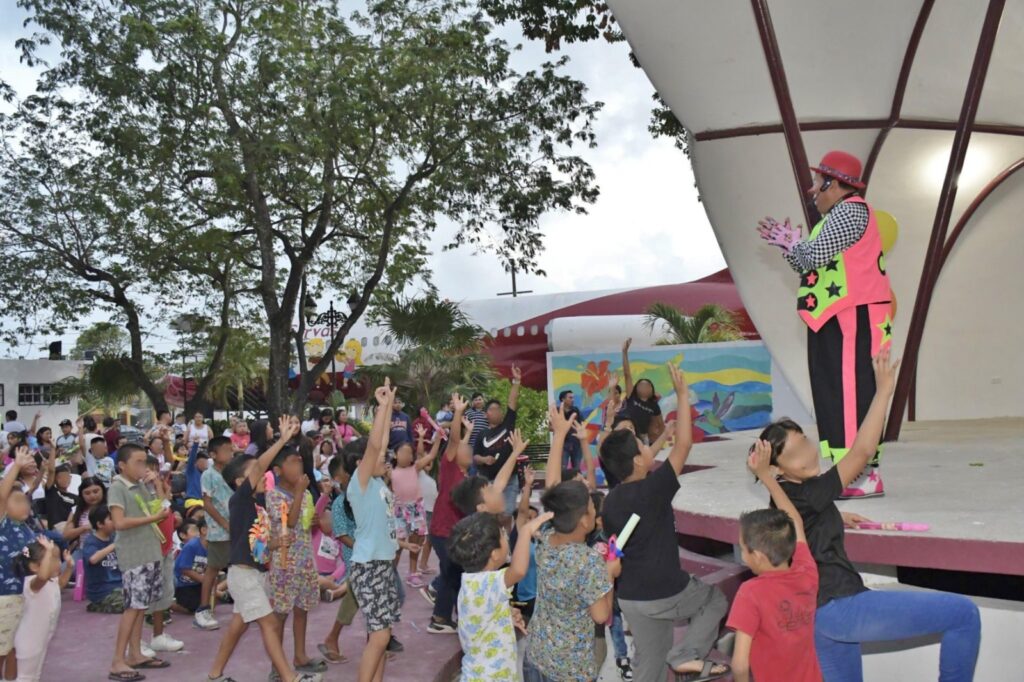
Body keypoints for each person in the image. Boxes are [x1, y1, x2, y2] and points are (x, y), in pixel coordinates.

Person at [759, 349, 980, 681]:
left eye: (805, 441)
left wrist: (834, 516)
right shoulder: (809, 493)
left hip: (821, 619)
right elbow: (862, 452)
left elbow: (800, 523)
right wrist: (883, 392)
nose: (808, 453)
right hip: (843, 607)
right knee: (964, 614)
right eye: (794, 453)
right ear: (776, 468)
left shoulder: (783, 498)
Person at [758, 151, 894, 498]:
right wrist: (791, 247)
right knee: (834, 392)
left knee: (852, 393)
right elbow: (809, 263)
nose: (813, 190)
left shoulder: (850, 210)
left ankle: (862, 473)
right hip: (838, 315)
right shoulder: (836, 217)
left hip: (855, 315)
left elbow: (812, 255)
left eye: (819, 183)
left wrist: (792, 245)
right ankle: (844, 470)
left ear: (834, 184)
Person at [601, 363, 729, 682]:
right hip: (667, 590)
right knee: (715, 600)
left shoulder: (610, 500)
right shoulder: (654, 488)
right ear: (637, 460)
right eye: (645, 446)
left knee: (650, 664)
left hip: (631, 599)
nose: (649, 448)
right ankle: (686, 653)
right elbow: (683, 446)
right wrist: (683, 396)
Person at [205, 417, 320, 682]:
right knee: (268, 623)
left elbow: (254, 541)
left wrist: (274, 544)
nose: (262, 474)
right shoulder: (240, 499)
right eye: (254, 472)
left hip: (255, 573)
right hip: (243, 575)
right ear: (239, 482)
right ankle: (289, 678)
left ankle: (214, 675)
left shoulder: (258, 504)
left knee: (238, 626)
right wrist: (280, 440)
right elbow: (259, 465)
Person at [728, 441, 821, 682]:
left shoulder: (750, 593)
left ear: (757, 556)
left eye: (742, 548)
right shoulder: (807, 571)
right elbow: (795, 522)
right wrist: (766, 477)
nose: (742, 553)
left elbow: (739, 664)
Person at [523, 477, 619, 682]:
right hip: (569, 670)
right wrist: (609, 573)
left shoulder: (546, 539)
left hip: (536, 655)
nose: (596, 512)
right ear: (584, 520)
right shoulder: (588, 561)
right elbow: (601, 615)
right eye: (593, 508)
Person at [448, 508, 553, 682]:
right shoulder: (488, 582)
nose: (506, 536)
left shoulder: (472, 582)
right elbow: (518, 570)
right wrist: (525, 531)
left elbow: (482, 617)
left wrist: (504, 614)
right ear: (495, 554)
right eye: (502, 534)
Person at [347, 380, 401, 682]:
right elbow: (374, 446)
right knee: (380, 636)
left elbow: (381, 446)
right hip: (368, 566)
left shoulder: (380, 485)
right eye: (382, 460)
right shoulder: (361, 482)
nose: (386, 460)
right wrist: (382, 407)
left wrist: (389, 405)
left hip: (382, 564)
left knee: (381, 633)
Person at [107, 443, 174, 680]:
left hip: (150, 552)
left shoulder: (139, 486)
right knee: (132, 608)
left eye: (144, 462)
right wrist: (154, 517)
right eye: (137, 462)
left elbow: (162, 506)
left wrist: (156, 484)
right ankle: (118, 660)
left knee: (140, 607)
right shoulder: (118, 487)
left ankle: (135, 654)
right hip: (135, 555)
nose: (142, 466)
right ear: (122, 465)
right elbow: (119, 523)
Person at [266, 446, 325, 676]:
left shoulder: (307, 494)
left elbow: (302, 524)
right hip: (284, 564)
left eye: (300, 461)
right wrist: (300, 492)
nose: (298, 466)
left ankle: (300, 656)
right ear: (279, 469)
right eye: (292, 462)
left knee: (302, 609)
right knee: (280, 614)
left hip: (304, 560)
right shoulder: (274, 495)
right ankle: (277, 667)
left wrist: (313, 522)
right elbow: (289, 522)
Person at [422, 397, 473, 634]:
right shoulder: (450, 463)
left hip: (453, 533)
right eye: (466, 446)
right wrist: (458, 415)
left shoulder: (466, 476)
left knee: (454, 573)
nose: (468, 448)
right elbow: (454, 440)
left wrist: (468, 433)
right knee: (452, 572)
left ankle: (442, 615)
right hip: (442, 531)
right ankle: (440, 617)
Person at [12, 536, 73, 681]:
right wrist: (48, 551)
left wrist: (70, 567)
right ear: (34, 567)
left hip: (41, 638)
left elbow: (62, 582)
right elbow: (43, 576)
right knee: (25, 677)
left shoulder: (51, 581)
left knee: (35, 675)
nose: (59, 563)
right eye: (52, 559)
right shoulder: (32, 584)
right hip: (28, 641)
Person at [0, 448, 38, 680]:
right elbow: (2, 495)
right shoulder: (3, 524)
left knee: (15, 647)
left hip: (24, 595)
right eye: (17, 500)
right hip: (4, 596)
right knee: (2, 649)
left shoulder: (26, 528)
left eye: (26, 501)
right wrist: (16, 466)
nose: (25, 505)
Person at [320, 447, 359, 664]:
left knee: (357, 597)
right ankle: (332, 639)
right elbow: (342, 534)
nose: (353, 474)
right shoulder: (339, 504)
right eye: (349, 471)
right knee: (359, 597)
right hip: (356, 556)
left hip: (367, 556)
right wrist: (361, 549)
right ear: (338, 478)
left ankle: (380, 640)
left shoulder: (360, 497)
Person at [393, 428, 442, 589]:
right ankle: (391, 574)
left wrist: (438, 439)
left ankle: (413, 573)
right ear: (395, 454)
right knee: (398, 544)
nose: (407, 456)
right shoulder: (390, 472)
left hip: (416, 508)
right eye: (403, 452)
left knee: (416, 541)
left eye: (409, 453)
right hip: (399, 510)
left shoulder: (415, 468)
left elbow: (431, 455)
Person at [472, 365, 522, 518]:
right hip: (488, 481)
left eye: (499, 409)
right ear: (487, 413)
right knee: (490, 515)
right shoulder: (482, 434)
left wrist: (517, 381)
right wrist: (484, 459)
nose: (498, 411)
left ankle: (506, 540)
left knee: (506, 514)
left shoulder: (507, 426)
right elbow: (475, 457)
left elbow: (512, 402)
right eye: (494, 409)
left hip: (510, 480)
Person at [197, 436, 234, 631]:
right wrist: (224, 524)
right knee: (212, 569)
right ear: (213, 454)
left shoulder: (231, 472)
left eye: (231, 449)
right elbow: (208, 503)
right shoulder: (208, 475)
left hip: (234, 528)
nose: (230, 453)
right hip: (219, 532)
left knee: (238, 567)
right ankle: (203, 609)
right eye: (226, 450)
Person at [620, 338, 664, 444]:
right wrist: (624, 353)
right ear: (636, 388)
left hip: (642, 437)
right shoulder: (632, 397)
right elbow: (627, 375)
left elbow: (660, 423)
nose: (644, 387)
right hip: (626, 432)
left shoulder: (653, 405)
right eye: (641, 385)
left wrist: (660, 440)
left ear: (652, 389)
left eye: (647, 385)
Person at [83, 505, 125, 613]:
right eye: (111, 519)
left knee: (143, 596)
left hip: (120, 586)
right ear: (100, 524)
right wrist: (114, 545)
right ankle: (97, 605)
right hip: (102, 591)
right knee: (131, 604)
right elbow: (93, 559)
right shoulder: (91, 541)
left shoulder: (114, 537)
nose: (115, 521)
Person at [174, 518, 216, 614]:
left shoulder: (214, 547)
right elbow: (185, 569)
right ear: (204, 530)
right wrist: (205, 580)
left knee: (208, 603)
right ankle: (171, 604)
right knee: (194, 608)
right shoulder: (192, 546)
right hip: (184, 584)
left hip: (199, 583)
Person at [63, 476, 107, 555]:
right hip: (84, 551)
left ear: (103, 491)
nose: (92, 496)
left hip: (108, 550)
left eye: (96, 491)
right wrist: (85, 528)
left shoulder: (111, 507)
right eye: (87, 493)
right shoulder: (76, 510)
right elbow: (66, 535)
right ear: (81, 495)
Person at [311, 504, 346, 601]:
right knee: (317, 580)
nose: (328, 521)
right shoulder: (315, 533)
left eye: (330, 518)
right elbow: (316, 511)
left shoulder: (339, 538)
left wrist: (333, 576)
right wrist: (326, 495)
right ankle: (337, 589)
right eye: (324, 518)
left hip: (333, 575)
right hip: (318, 576)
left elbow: (346, 561)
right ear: (318, 521)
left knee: (353, 576)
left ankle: (335, 592)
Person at [558, 390, 583, 471]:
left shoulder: (576, 410)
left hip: (576, 443)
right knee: (562, 468)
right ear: (563, 399)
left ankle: (577, 483)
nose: (573, 399)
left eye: (573, 398)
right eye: (570, 397)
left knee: (577, 468)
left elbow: (581, 425)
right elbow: (550, 427)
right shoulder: (557, 411)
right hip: (563, 444)